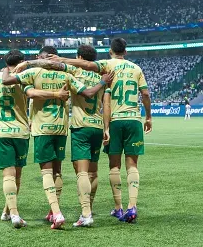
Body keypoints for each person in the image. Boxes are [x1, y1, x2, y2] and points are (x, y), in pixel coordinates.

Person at [1, 46, 113, 230]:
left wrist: (10, 66)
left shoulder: (34, 72)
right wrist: (102, 82)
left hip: (45, 128)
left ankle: (58, 212)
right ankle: (70, 211)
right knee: (60, 171)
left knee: (47, 172)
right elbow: (90, 93)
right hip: (65, 128)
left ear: (41, 59)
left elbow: (7, 81)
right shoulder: (68, 76)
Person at [48, 38, 152, 223]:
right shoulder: (136, 69)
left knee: (113, 166)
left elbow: (87, 66)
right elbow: (145, 94)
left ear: (110, 51)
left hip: (113, 121)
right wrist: (149, 117)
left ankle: (117, 208)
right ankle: (132, 207)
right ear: (125, 52)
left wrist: (61, 59)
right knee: (132, 165)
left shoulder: (106, 66)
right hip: (133, 119)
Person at [0, 49, 70, 229]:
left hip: (1, 132)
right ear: (22, 61)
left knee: (8, 175)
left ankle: (11, 212)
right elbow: (33, 94)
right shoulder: (25, 79)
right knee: (17, 176)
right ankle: (11, 212)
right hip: (21, 131)